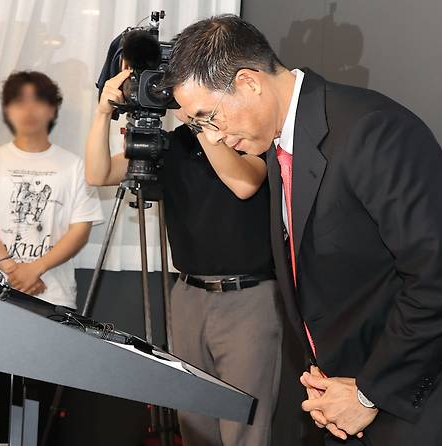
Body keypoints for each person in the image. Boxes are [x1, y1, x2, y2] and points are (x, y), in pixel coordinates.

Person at [162, 14, 442, 446]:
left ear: (250, 83)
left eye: (208, 117)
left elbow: (441, 281)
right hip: (349, 387)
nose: (211, 137)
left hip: (424, 392)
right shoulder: (276, 143)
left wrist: (368, 393)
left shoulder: (372, 131)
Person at [85, 66, 299, 445]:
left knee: (245, 427)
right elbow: (98, 173)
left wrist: (202, 123)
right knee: (193, 420)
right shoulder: (169, 145)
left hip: (247, 299)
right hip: (186, 296)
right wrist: (104, 111)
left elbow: (244, 184)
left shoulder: (245, 135)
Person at [0, 71, 103, 308]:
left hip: (54, 295)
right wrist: (13, 271)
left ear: (52, 109)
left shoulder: (76, 166)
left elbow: (80, 230)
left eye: (38, 101)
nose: (29, 110)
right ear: (7, 110)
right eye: (19, 101)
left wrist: (35, 269)